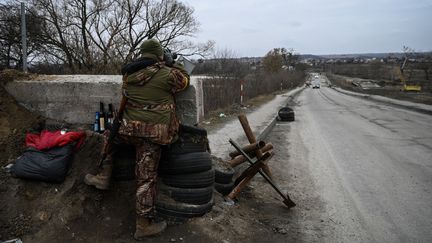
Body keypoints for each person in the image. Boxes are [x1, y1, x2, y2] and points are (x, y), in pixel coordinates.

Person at [84, 39, 190, 239]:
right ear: (159, 56)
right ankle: (143, 225)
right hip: (152, 134)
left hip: (127, 130)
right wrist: (173, 63)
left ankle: (102, 176)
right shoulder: (168, 75)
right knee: (146, 178)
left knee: (108, 135)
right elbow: (185, 81)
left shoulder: (128, 74)